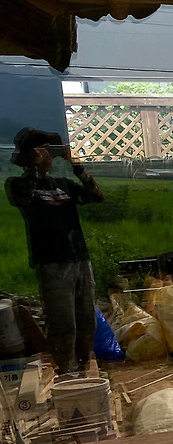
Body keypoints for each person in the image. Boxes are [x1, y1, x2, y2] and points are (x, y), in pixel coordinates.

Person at [6, 127, 104, 374]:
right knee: (62, 320)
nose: (49, 157)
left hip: (79, 258)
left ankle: (84, 365)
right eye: (44, 152)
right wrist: (34, 166)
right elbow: (24, 198)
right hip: (51, 261)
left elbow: (96, 197)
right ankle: (66, 369)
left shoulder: (63, 184)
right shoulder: (16, 184)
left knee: (86, 318)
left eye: (50, 152)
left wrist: (78, 167)